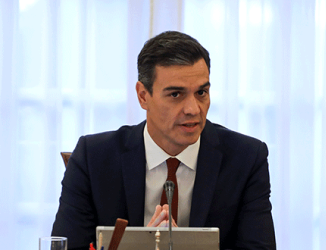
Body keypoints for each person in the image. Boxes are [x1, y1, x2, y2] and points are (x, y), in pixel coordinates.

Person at [52, 31, 276, 250]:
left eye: (201, 93)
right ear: (143, 96)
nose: (192, 109)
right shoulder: (93, 158)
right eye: (176, 94)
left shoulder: (246, 159)